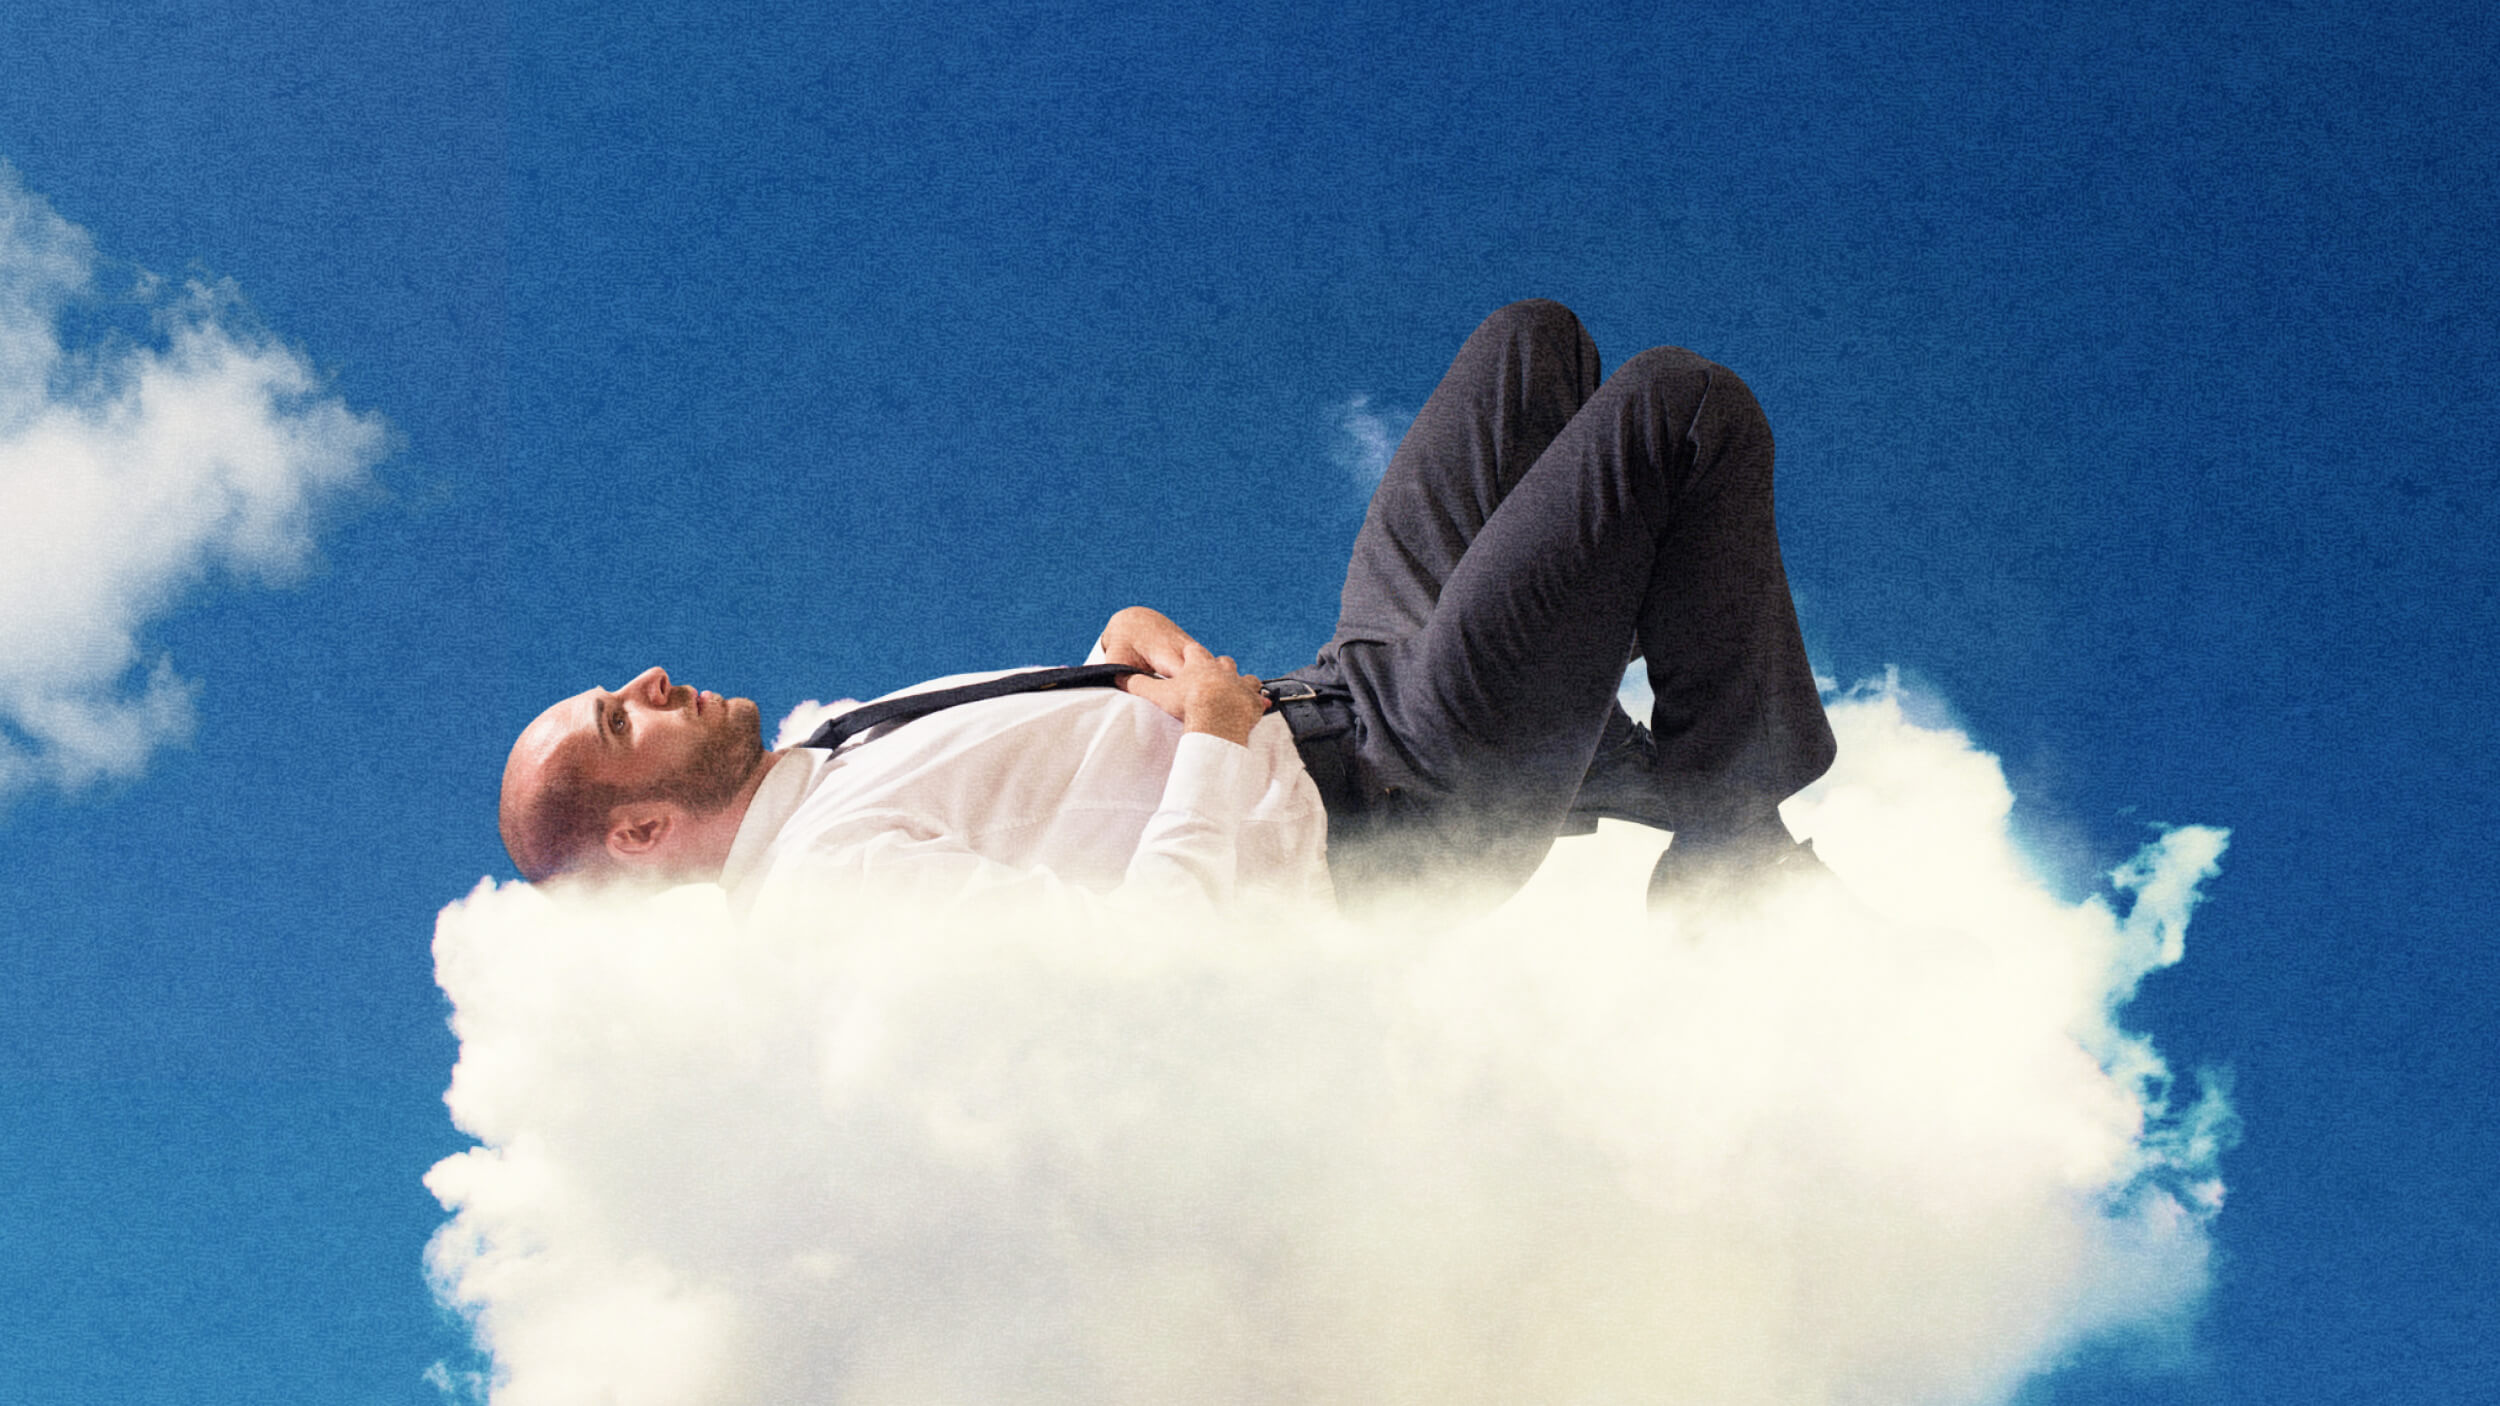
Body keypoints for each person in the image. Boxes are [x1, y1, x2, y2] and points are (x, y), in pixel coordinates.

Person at [499, 300, 1836, 917]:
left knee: (1529, 349)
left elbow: (1058, 796)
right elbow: (1142, 977)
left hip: (1344, 691)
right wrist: (1207, 735)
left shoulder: (828, 742)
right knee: (1676, 411)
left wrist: (1111, 653)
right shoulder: (832, 894)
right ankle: (1727, 831)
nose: (655, 677)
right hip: (1403, 800)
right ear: (641, 828)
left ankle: (1603, 748)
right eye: (622, 721)